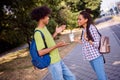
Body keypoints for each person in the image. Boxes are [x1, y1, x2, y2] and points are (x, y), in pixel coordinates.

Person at [30, 6, 76, 80]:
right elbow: (40, 52)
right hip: (53, 63)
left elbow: (48, 41)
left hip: (58, 59)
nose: (48, 18)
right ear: (42, 17)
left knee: (71, 77)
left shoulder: (44, 28)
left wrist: (56, 32)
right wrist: (56, 46)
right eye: (47, 16)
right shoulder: (38, 33)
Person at [75, 9, 108, 80]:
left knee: (101, 77)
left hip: (96, 57)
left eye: (80, 19)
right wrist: (79, 41)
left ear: (86, 20)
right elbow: (85, 43)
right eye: (78, 19)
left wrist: (88, 40)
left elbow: (98, 43)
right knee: (102, 75)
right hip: (90, 57)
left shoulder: (91, 28)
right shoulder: (84, 29)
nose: (78, 21)